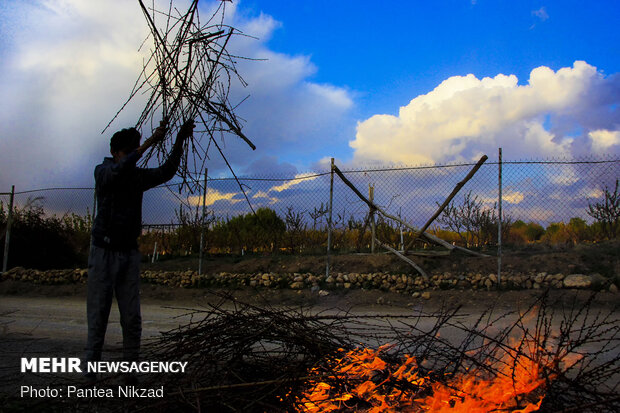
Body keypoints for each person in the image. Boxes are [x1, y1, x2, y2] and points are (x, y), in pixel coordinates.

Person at [85, 119, 194, 381]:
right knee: (98, 315)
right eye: (128, 151)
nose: (131, 156)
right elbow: (119, 170)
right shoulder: (103, 171)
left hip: (129, 253)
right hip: (103, 252)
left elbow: (167, 171)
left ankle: (130, 374)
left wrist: (179, 139)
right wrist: (149, 143)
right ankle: (90, 375)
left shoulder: (135, 176)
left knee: (132, 318)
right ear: (116, 153)